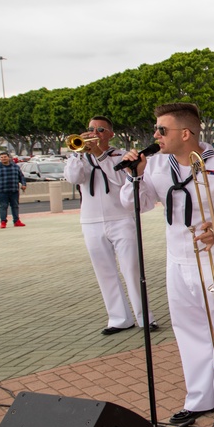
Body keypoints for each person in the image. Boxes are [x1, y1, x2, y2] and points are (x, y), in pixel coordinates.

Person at [120, 103, 214, 427]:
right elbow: (136, 205)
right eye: (155, 129)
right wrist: (135, 177)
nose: (155, 136)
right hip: (178, 259)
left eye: (161, 130)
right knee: (188, 331)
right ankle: (200, 398)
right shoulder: (155, 166)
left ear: (186, 133)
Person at [64, 116, 156, 335]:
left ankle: (146, 318)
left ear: (111, 134)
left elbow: (118, 180)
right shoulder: (79, 157)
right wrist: (79, 155)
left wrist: (99, 154)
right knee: (104, 271)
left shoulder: (119, 156)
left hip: (121, 219)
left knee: (132, 269)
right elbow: (73, 178)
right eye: (90, 129)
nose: (94, 133)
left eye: (101, 129)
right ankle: (119, 318)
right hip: (91, 221)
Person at [0, 151, 27, 228]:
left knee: (15, 206)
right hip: (2, 191)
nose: (3, 159)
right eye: (1, 157)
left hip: (14, 191)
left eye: (5, 157)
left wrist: (23, 184)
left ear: (8, 157)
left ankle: (16, 221)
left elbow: (21, 177)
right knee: (3, 206)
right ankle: (3, 222)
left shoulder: (15, 167)